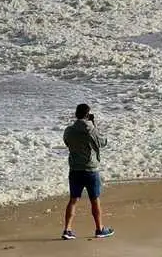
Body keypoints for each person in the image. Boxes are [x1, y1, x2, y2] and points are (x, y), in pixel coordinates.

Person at [61, 103, 114, 240]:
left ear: (76, 114)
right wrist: (94, 125)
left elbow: (67, 142)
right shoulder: (91, 130)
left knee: (73, 200)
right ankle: (99, 228)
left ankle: (67, 229)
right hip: (90, 169)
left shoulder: (69, 130)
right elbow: (103, 142)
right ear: (87, 115)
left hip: (75, 169)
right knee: (95, 200)